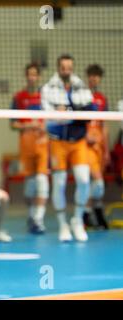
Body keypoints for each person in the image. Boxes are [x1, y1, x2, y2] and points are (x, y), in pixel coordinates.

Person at [41, 54, 96, 242]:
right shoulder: (48, 88)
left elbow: (91, 112)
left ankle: (77, 220)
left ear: (72, 68)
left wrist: (67, 113)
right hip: (57, 141)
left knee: (83, 179)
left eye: (69, 67)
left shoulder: (81, 86)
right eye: (63, 67)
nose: (66, 70)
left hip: (78, 141)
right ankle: (63, 224)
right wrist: (75, 114)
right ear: (58, 68)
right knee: (60, 183)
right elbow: (50, 118)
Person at [10, 63, 49, 234]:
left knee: (42, 182)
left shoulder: (46, 97)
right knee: (30, 186)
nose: (32, 77)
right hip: (26, 145)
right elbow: (13, 123)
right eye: (29, 75)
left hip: (42, 144)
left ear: (38, 76)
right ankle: (32, 216)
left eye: (35, 74)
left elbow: (54, 120)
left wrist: (44, 126)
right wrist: (27, 126)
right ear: (26, 76)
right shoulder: (19, 97)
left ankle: (38, 219)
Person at [83, 64, 109, 229]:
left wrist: (106, 150)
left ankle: (97, 211)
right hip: (85, 146)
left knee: (97, 183)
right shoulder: (81, 97)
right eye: (91, 75)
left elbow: (105, 125)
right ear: (88, 77)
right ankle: (84, 213)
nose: (94, 78)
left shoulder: (102, 99)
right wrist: (85, 136)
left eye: (97, 76)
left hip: (99, 147)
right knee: (97, 182)